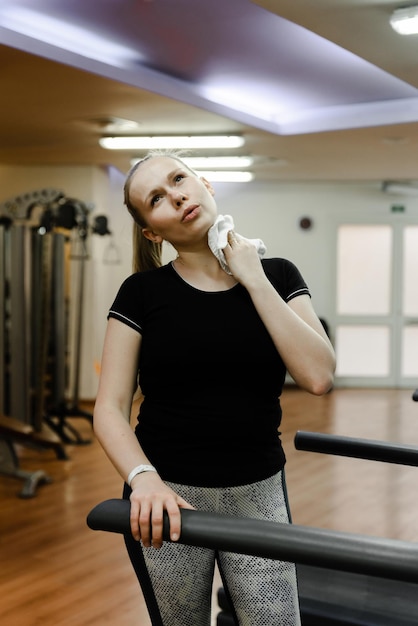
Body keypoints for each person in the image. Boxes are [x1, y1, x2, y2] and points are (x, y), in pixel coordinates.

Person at [93, 151, 336, 626]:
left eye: (179, 179)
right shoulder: (140, 294)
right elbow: (109, 407)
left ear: (205, 183)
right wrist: (143, 478)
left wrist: (252, 276)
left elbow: (318, 377)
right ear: (152, 231)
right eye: (156, 199)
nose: (176, 195)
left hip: (258, 490)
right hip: (165, 496)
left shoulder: (279, 274)